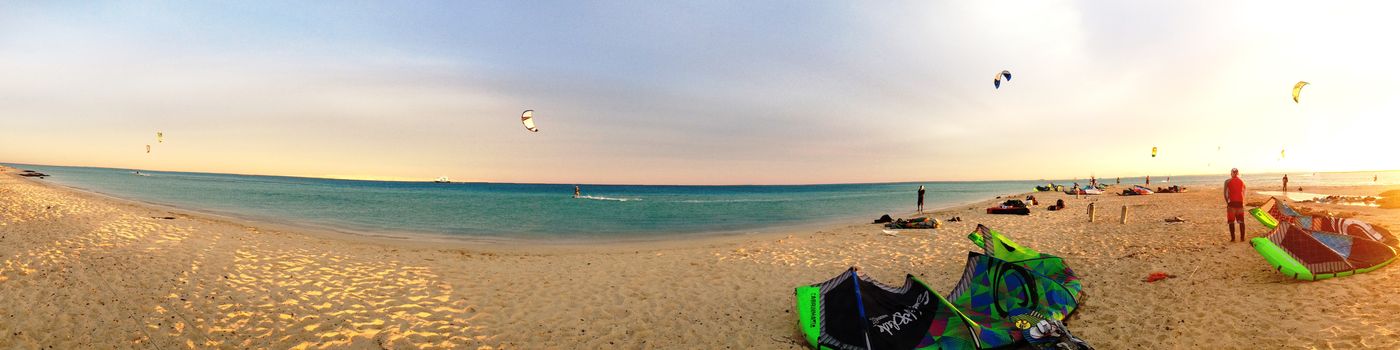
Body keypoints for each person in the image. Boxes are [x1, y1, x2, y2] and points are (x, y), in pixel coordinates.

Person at [1224, 168, 1248, 242]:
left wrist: (1227, 203)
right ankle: (1242, 238)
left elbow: (1225, 194)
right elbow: (1243, 193)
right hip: (1240, 203)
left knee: (1231, 221)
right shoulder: (1242, 181)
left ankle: (1233, 238)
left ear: (1231, 173)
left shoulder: (1227, 181)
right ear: (1238, 173)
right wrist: (1242, 202)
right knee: (1241, 221)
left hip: (1231, 203)